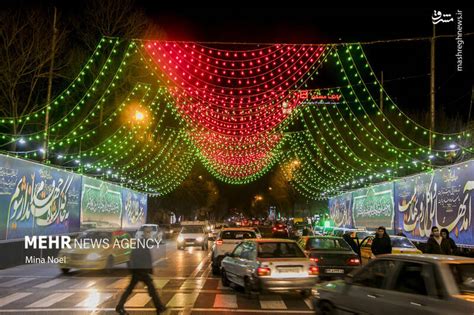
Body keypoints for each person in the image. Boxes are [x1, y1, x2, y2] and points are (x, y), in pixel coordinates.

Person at [116, 227, 166, 315]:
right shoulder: (142, 243)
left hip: (139, 271)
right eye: (148, 232)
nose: (150, 234)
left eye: (149, 232)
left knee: (133, 289)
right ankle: (159, 307)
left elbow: (143, 258)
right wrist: (142, 270)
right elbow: (137, 257)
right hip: (140, 271)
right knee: (151, 289)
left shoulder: (143, 242)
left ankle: (159, 307)